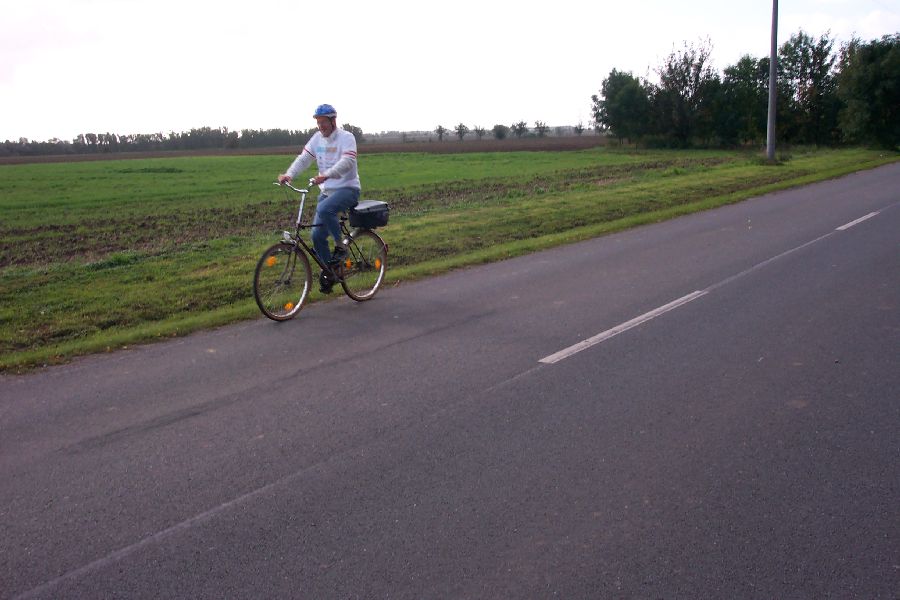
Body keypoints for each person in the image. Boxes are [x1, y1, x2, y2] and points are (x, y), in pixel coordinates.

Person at [278, 103, 360, 293]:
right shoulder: (317, 139)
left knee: (324, 209)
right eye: (318, 122)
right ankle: (332, 273)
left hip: (348, 188)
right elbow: (304, 158)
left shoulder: (347, 138)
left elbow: (348, 161)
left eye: (324, 122)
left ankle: (340, 247)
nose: (321, 126)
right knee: (316, 236)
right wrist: (289, 174)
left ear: (333, 121)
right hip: (327, 191)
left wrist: (326, 175)